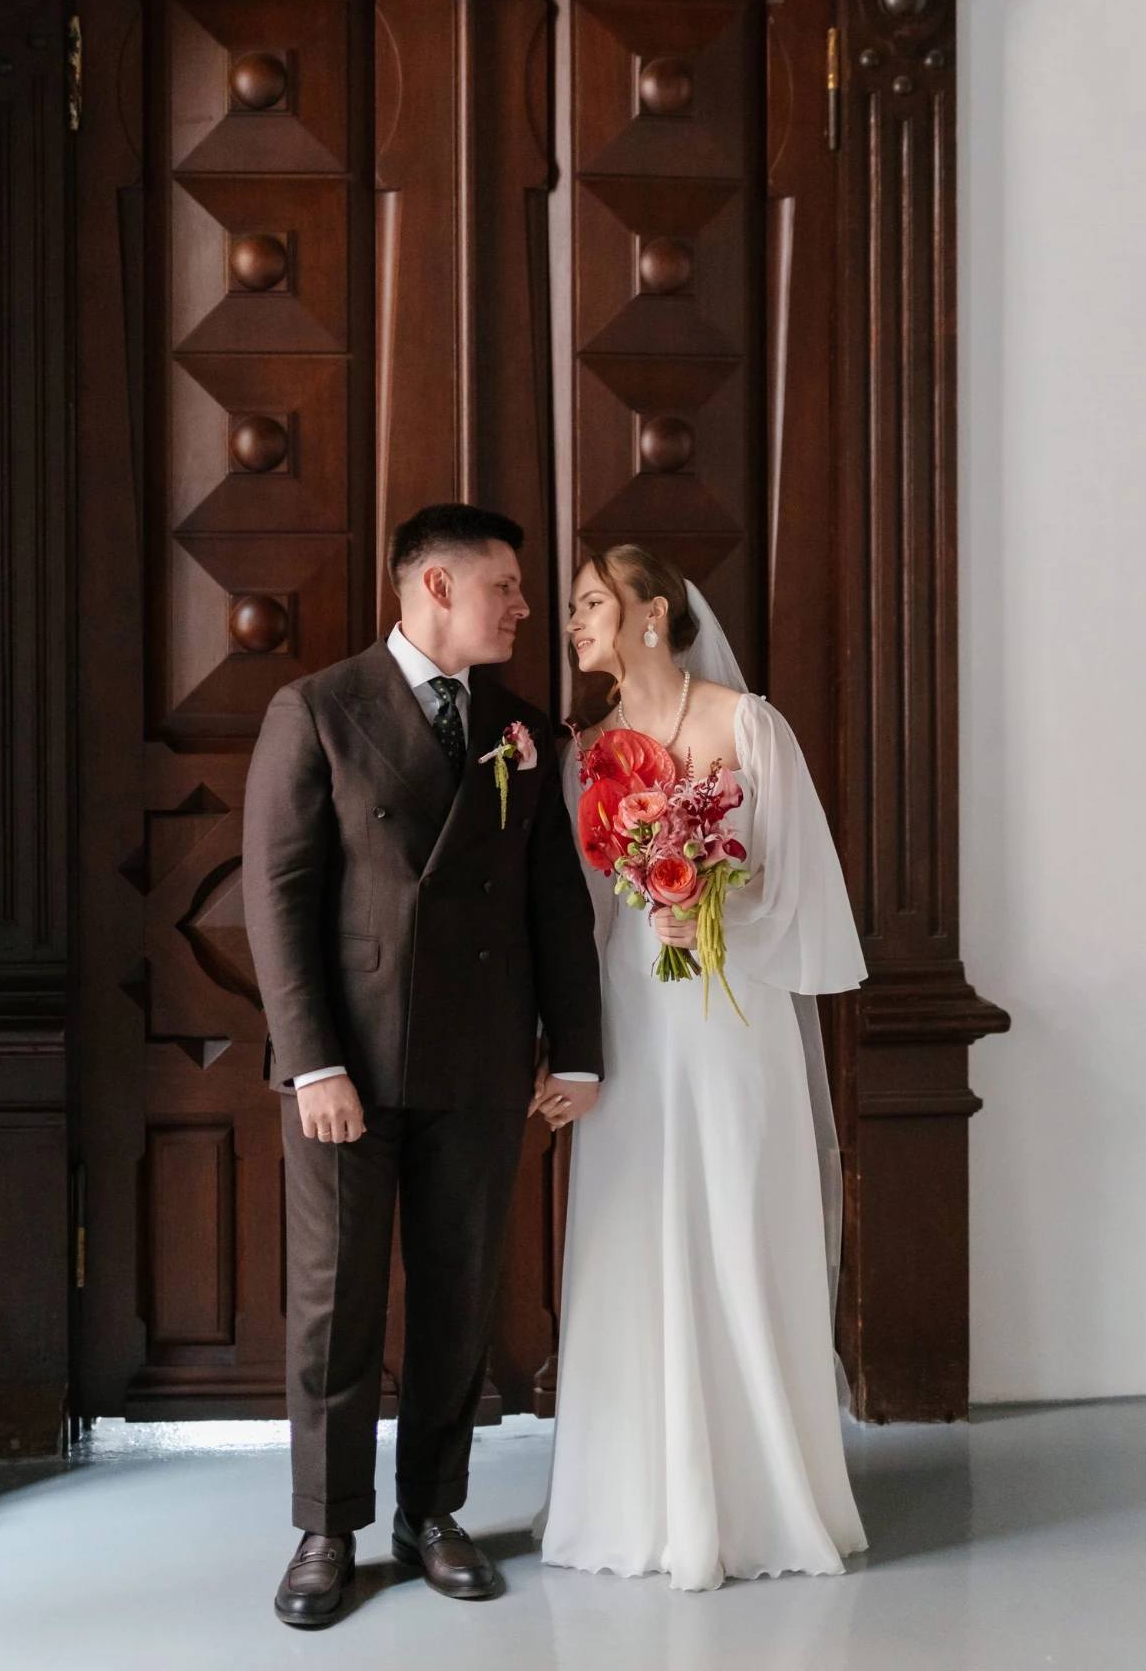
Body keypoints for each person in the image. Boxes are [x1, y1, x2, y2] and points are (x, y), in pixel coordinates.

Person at [242, 503, 603, 1628]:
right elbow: (278, 900)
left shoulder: (520, 725)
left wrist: (578, 1050)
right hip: (348, 1069)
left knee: (459, 1297)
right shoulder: (317, 708)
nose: (525, 607)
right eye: (506, 586)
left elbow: (555, 903)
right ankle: (325, 1528)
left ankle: (431, 1512)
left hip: (482, 1060)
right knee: (334, 1302)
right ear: (436, 586)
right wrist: (312, 1065)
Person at [534, 544, 868, 1591]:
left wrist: (712, 904)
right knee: (635, 1224)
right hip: (632, 1017)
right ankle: (636, 1501)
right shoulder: (585, 751)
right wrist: (568, 1044)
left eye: (590, 602)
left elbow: (803, 887)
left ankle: (763, 1499)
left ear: (651, 613)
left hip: (730, 1011)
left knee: (734, 1215)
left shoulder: (746, 725)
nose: (573, 622)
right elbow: (580, 918)